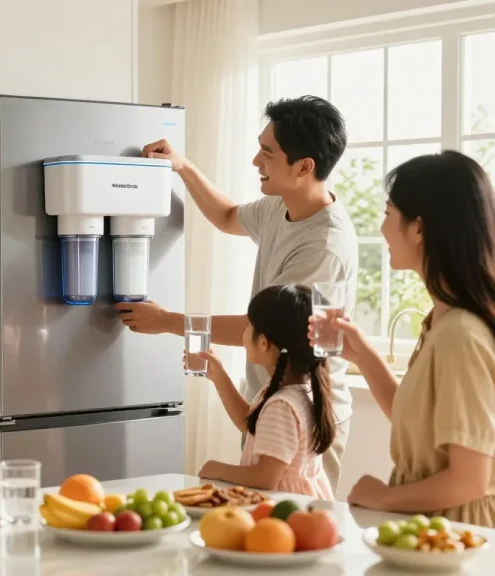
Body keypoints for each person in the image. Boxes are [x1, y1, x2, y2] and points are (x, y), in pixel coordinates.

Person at [116, 96, 357, 492]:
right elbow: (228, 217)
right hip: (271, 398)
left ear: (303, 166)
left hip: (308, 412)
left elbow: (268, 328)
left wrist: (168, 322)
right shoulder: (281, 206)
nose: (255, 162)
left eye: (267, 152)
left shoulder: (324, 246)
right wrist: (182, 167)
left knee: (298, 532)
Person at [315, 151, 495, 527]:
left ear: (418, 228)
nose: (381, 228)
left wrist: (383, 497)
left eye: (387, 214)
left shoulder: (461, 335)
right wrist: (362, 354)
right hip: (430, 531)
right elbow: (410, 417)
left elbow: (468, 481)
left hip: (459, 537)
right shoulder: (441, 322)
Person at [194, 284, 335, 499]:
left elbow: (265, 477)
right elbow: (250, 424)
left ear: (263, 343)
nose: (245, 330)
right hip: (301, 505)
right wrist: (219, 377)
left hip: (283, 509)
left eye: (249, 325)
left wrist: (217, 469)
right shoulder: (298, 389)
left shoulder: (282, 405)